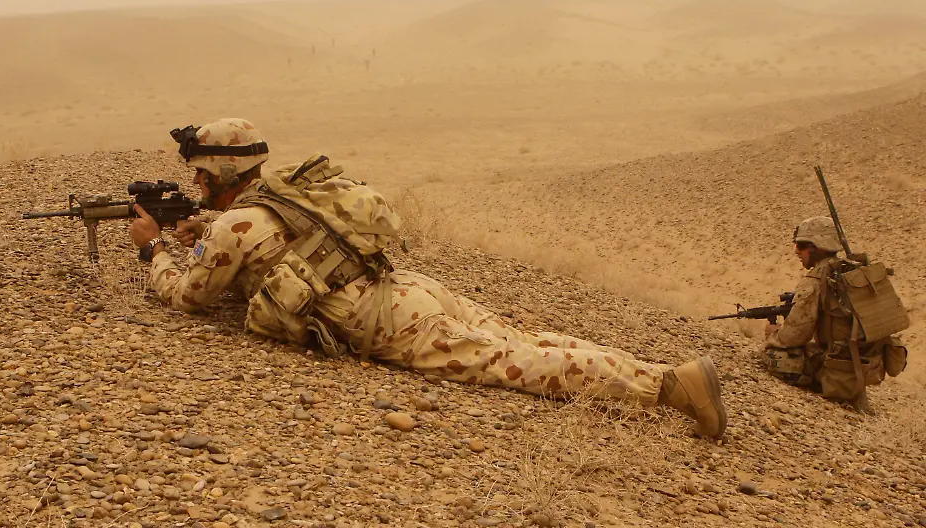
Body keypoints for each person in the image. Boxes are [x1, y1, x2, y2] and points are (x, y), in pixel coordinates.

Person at [127, 118, 729, 438]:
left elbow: (188, 297)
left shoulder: (234, 225)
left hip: (389, 321)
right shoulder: (284, 193)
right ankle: (659, 368)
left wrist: (153, 249)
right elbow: (275, 241)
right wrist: (201, 231)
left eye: (201, 175)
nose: (197, 185)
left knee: (515, 363)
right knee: (525, 339)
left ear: (219, 171)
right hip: (407, 288)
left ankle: (669, 388)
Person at [761, 216, 907, 411]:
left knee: (772, 356)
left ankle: (829, 387)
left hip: (839, 369)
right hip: (870, 366)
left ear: (817, 248)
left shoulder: (817, 279)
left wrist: (773, 335)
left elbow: (796, 335)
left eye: (801, 245)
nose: (797, 251)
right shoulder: (852, 272)